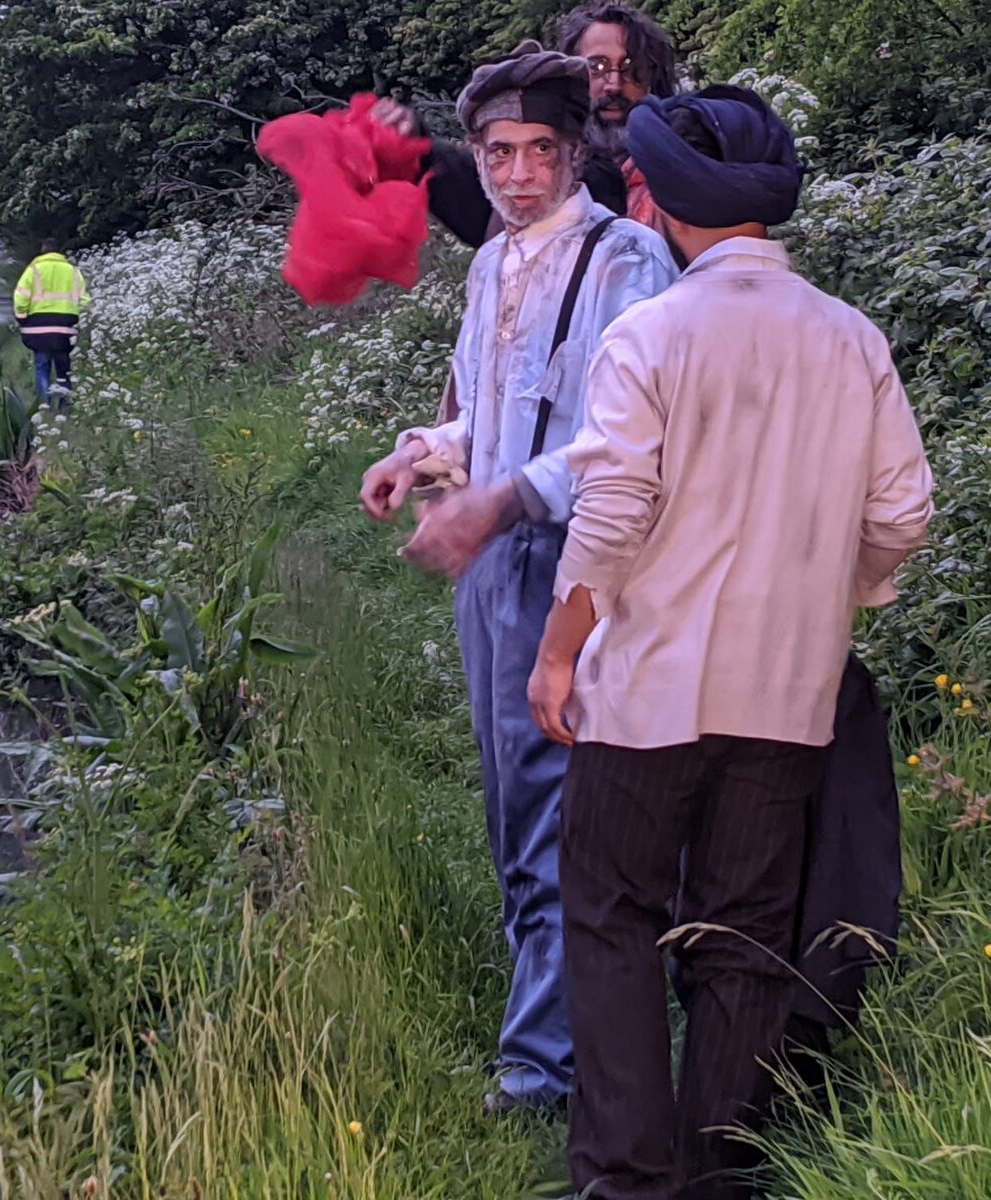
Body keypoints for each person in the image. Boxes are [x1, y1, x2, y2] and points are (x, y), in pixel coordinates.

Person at [527, 86, 933, 1198]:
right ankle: (718, 1172)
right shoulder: (851, 339)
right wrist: (831, 594)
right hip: (786, 696)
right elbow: (900, 514)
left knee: (613, 919)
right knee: (744, 929)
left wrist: (560, 650)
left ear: (657, 200)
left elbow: (610, 517)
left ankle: (625, 1174)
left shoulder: (649, 334)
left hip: (645, 692)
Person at [360, 42, 678, 1114]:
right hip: (491, 561)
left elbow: (618, 437)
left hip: (578, 557)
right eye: (498, 151)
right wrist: (421, 455)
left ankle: (542, 1066)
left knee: (550, 801)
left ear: (578, 150)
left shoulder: (625, 257)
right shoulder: (491, 263)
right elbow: (492, 413)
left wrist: (500, 498)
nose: (517, 172)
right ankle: (555, 1014)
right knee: (507, 801)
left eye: (541, 149)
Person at [372, 3, 678, 247]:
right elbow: (476, 193)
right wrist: (416, 144)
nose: (613, 84)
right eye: (595, 67)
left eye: (630, 67)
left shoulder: (687, 162)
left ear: (653, 74)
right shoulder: (536, 174)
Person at [12, 238, 88, 402]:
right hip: (66, 326)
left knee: (42, 366)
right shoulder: (73, 272)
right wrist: (79, 317)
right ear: (59, 252)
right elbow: (85, 300)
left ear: (43, 250)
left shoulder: (34, 270)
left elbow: (21, 296)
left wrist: (22, 316)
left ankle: (44, 405)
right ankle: (65, 404)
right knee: (64, 368)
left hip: (38, 326)